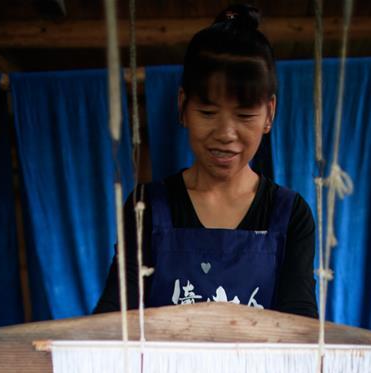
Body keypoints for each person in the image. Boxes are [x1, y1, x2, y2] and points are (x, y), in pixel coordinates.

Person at [96, 3, 317, 318]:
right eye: (208, 113)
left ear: (269, 114)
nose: (226, 134)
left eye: (244, 115)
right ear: (183, 106)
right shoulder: (145, 207)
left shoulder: (290, 215)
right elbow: (112, 319)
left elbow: (301, 328)